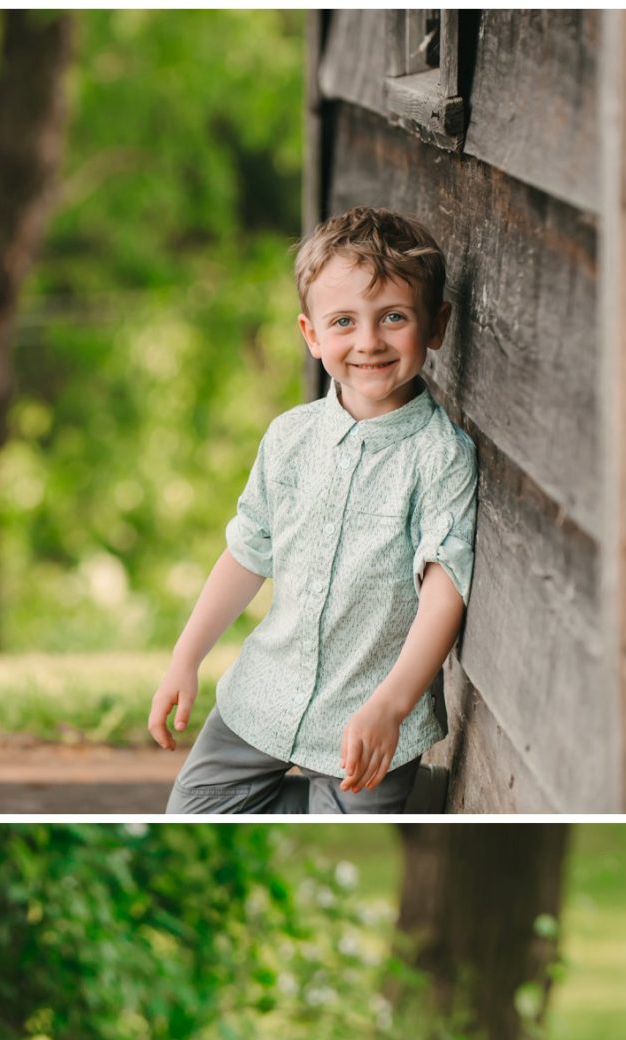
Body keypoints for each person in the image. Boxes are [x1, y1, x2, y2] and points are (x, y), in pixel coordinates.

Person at [150, 205, 480, 815]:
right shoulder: (289, 438)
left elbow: (445, 591)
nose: (369, 341)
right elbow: (247, 553)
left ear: (436, 325)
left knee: (343, 832)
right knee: (193, 815)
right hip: (265, 695)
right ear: (311, 335)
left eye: (394, 318)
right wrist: (185, 657)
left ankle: (393, 794)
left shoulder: (440, 457)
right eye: (344, 322)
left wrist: (392, 705)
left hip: (371, 719)